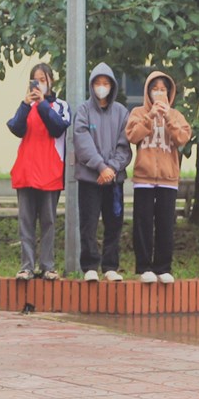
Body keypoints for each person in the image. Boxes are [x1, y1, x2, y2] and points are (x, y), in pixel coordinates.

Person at [124, 71, 191, 282]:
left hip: (168, 178)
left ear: (169, 92)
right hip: (144, 177)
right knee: (143, 223)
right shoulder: (137, 112)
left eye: (163, 89)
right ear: (148, 92)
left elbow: (182, 138)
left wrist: (168, 116)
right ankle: (144, 267)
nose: (159, 93)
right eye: (155, 89)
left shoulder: (177, 115)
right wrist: (150, 116)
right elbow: (132, 135)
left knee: (165, 223)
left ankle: (163, 267)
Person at [7, 63, 71, 281]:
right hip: (26, 171)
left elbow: (57, 126)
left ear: (51, 81)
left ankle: (47, 266)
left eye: (43, 80)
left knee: (48, 222)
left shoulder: (60, 105)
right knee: (26, 223)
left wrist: (43, 104)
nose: (39, 85)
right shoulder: (26, 106)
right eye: (35, 80)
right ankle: (26, 266)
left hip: (50, 172)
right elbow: (16, 127)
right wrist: (26, 105)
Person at [73, 62, 131, 282]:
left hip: (114, 180)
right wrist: (100, 166)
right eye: (98, 83)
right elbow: (82, 142)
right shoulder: (83, 111)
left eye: (105, 83)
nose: (101, 87)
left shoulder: (121, 112)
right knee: (89, 222)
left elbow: (124, 146)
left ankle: (110, 266)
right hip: (90, 178)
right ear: (91, 85)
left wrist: (112, 168)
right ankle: (89, 266)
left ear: (112, 86)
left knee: (114, 222)